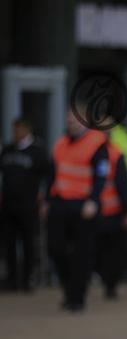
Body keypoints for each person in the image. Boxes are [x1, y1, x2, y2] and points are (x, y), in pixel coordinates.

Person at [46, 109, 110, 312]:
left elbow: (101, 175)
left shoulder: (97, 143)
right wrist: (47, 200)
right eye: (69, 119)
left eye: (75, 119)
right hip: (60, 204)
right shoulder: (60, 144)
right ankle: (69, 288)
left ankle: (77, 297)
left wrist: (93, 200)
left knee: (82, 254)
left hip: (84, 206)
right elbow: (52, 175)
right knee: (55, 249)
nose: (71, 122)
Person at [0, 117, 51, 292]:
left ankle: (28, 279)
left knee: (29, 242)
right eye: (14, 130)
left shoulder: (38, 152)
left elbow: (48, 176)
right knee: (9, 243)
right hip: (8, 205)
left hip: (29, 205)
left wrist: (45, 200)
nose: (15, 133)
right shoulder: (7, 150)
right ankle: (11, 279)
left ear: (27, 130)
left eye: (19, 129)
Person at [95, 139, 127, 299]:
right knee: (109, 252)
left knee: (110, 251)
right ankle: (109, 283)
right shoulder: (114, 153)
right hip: (99, 212)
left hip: (109, 212)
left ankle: (109, 283)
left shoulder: (114, 154)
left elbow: (123, 185)